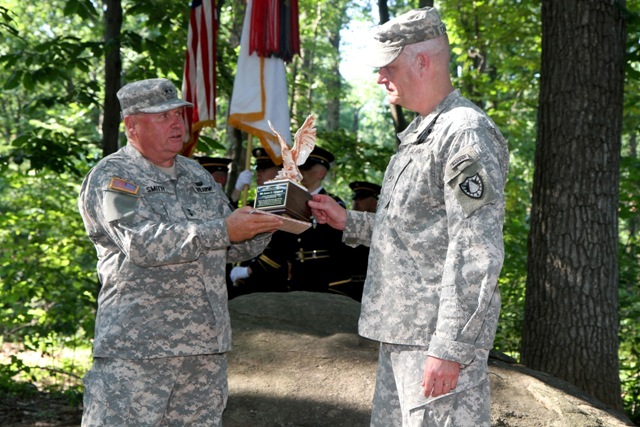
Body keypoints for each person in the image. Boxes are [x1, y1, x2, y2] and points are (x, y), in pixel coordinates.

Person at [308, 7, 509, 426]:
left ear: (422, 61)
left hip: (434, 341)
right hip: (401, 335)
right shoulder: (422, 132)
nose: (380, 77)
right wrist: (349, 222)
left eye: (389, 66)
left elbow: (476, 249)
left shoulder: (464, 133)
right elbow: (416, 229)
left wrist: (450, 346)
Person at [77, 78, 282, 426]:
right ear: (132, 126)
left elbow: (231, 246)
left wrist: (268, 222)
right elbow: (141, 243)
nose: (176, 123)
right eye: (162, 116)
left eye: (178, 114)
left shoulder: (195, 173)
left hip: (204, 347)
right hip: (139, 349)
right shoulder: (114, 176)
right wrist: (224, 229)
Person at [227, 148, 290, 298]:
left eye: (264, 169)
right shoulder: (254, 204)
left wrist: (250, 270)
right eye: (258, 169)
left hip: (269, 283)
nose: (258, 173)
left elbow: (283, 245)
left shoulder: (289, 203)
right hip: (245, 285)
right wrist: (236, 192)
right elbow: (227, 222)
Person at [288, 146, 351, 293]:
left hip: (323, 276)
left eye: (307, 168)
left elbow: (339, 246)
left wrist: (337, 284)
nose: (301, 171)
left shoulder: (334, 204)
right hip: (297, 274)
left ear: (321, 173)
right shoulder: (293, 203)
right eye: (300, 167)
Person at [336, 181, 381, 302]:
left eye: (363, 198)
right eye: (355, 198)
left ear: (375, 202)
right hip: (347, 289)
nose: (357, 202)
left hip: (374, 289)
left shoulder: (382, 227)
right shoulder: (346, 226)